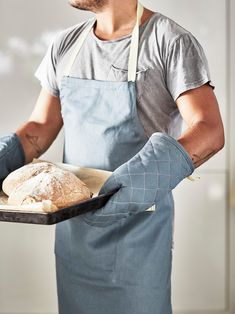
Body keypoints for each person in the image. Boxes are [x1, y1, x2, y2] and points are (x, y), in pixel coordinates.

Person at [0, 0, 224, 313]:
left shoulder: (170, 41)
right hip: (75, 239)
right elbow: (40, 126)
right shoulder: (66, 44)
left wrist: (141, 180)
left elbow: (209, 131)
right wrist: (3, 158)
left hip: (137, 239)